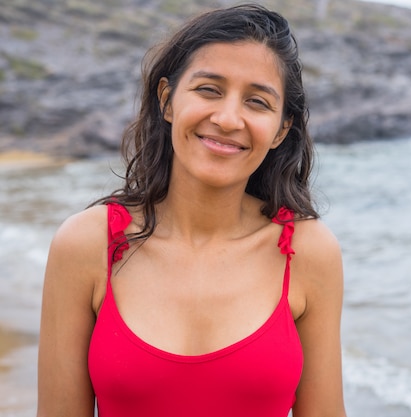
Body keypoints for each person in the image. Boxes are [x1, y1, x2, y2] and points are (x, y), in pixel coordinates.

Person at [37, 4, 346, 416]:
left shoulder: (308, 251)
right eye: (209, 90)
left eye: (257, 101)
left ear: (280, 130)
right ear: (167, 101)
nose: (228, 118)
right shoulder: (85, 244)